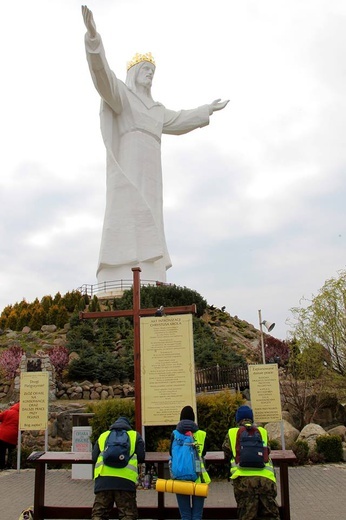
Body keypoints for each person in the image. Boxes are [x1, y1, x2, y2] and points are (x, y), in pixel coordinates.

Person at [81, 6, 229, 284]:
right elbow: (103, 78)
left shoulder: (157, 110)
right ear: (135, 73)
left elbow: (181, 119)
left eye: (153, 72)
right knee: (126, 208)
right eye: (146, 70)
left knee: (151, 211)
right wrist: (93, 40)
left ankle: (150, 268)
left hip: (152, 171)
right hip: (129, 164)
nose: (150, 75)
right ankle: (119, 266)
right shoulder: (123, 97)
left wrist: (206, 109)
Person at [222, 405, 280, 520]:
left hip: (244, 483)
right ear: (251, 419)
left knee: (247, 516)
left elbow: (227, 451)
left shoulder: (232, 433)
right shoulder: (262, 431)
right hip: (266, 481)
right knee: (271, 516)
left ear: (237, 419)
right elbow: (267, 450)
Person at [91, 416, 145, 520]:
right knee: (127, 515)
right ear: (128, 426)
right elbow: (141, 457)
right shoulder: (134, 436)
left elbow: (94, 457)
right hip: (125, 481)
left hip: (103, 480)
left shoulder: (104, 435)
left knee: (99, 515)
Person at [169, 405, 211, 520]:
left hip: (180, 476)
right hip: (199, 477)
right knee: (197, 515)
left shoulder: (175, 434)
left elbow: (171, 454)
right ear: (193, 419)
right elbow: (204, 453)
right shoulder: (201, 434)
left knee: (185, 515)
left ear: (180, 418)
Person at [0, 401, 20, 470]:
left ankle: (1, 466)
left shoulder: (7, 412)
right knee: (11, 452)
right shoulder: (21, 416)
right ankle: (9, 465)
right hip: (13, 436)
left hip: (2, 435)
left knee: (1, 452)